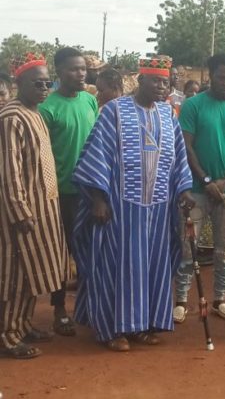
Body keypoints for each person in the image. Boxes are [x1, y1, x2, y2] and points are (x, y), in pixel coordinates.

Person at [71, 57, 194, 351]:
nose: (161, 87)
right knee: (116, 267)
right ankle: (111, 329)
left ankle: (143, 325)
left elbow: (179, 158)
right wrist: (98, 200)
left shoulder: (169, 115)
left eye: (165, 82)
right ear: (140, 81)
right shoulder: (114, 111)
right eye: (155, 81)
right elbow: (96, 155)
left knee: (152, 268)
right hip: (120, 210)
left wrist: (184, 190)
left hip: (159, 210)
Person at [174, 53, 225, 321]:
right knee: (187, 248)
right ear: (210, 76)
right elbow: (187, 145)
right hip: (196, 190)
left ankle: (220, 298)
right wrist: (206, 180)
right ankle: (181, 300)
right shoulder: (193, 105)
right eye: (222, 77)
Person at [0, 53, 69, 359]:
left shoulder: (35, 112)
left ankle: (23, 323)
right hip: (22, 213)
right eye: (36, 83)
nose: (44, 88)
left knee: (32, 273)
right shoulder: (12, 118)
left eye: (47, 82)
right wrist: (20, 211)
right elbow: (9, 171)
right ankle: (7, 336)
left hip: (44, 208)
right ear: (19, 84)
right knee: (15, 273)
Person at [39, 47, 99, 337]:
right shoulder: (47, 108)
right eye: (75, 69)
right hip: (61, 193)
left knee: (90, 250)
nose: (81, 73)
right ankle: (59, 309)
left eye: (84, 69)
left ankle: (89, 307)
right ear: (59, 72)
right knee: (60, 254)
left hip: (92, 191)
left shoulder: (90, 100)